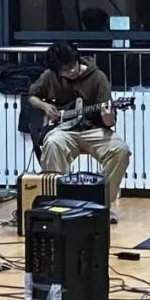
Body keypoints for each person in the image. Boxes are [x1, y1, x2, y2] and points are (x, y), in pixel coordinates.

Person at [28, 42, 131, 222]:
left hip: (94, 129)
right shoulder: (50, 76)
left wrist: (108, 115)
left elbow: (110, 122)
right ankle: (59, 204)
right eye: (65, 70)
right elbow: (31, 96)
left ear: (77, 59)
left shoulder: (97, 77)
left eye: (72, 66)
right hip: (64, 130)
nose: (71, 72)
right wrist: (45, 106)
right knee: (52, 144)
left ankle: (101, 205)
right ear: (57, 71)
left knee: (120, 151)